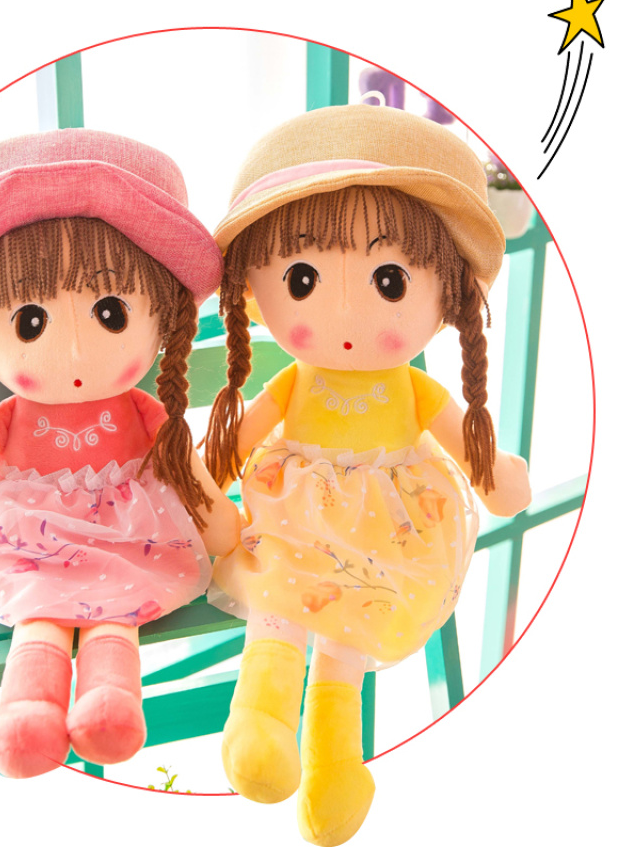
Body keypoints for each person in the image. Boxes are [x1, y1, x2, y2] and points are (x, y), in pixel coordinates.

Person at [205, 103, 531, 845]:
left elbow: (466, 444)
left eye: (389, 279)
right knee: (279, 599)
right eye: (303, 277)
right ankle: (260, 720)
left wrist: (494, 475)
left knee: (346, 637)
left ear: (445, 294)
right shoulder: (294, 380)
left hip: (393, 526)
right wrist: (200, 477)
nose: (347, 311)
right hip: (294, 514)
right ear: (255, 286)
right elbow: (232, 444)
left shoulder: (414, 390)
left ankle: (334, 767)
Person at [0, 129, 240, 778]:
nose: (69, 350)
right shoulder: (6, 421)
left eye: (112, 313)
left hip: (130, 535)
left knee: (114, 618)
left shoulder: (143, 412)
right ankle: (27, 711)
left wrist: (215, 517)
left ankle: (109, 703)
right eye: (29, 322)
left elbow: (185, 468)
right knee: (37, 616)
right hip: (29, 536)